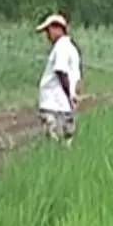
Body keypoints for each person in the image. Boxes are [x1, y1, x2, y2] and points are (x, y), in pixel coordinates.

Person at [36, 12, 82, 143]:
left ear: (57, 28)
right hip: (65, 105)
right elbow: (77, 78)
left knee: (53, 141)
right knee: (66, 142)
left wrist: (68, 95)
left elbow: (61, 71)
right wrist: (73, 97)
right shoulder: (72, 48)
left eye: (48, 31)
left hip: (54, 104)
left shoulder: (61, 47)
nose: (47, 36)